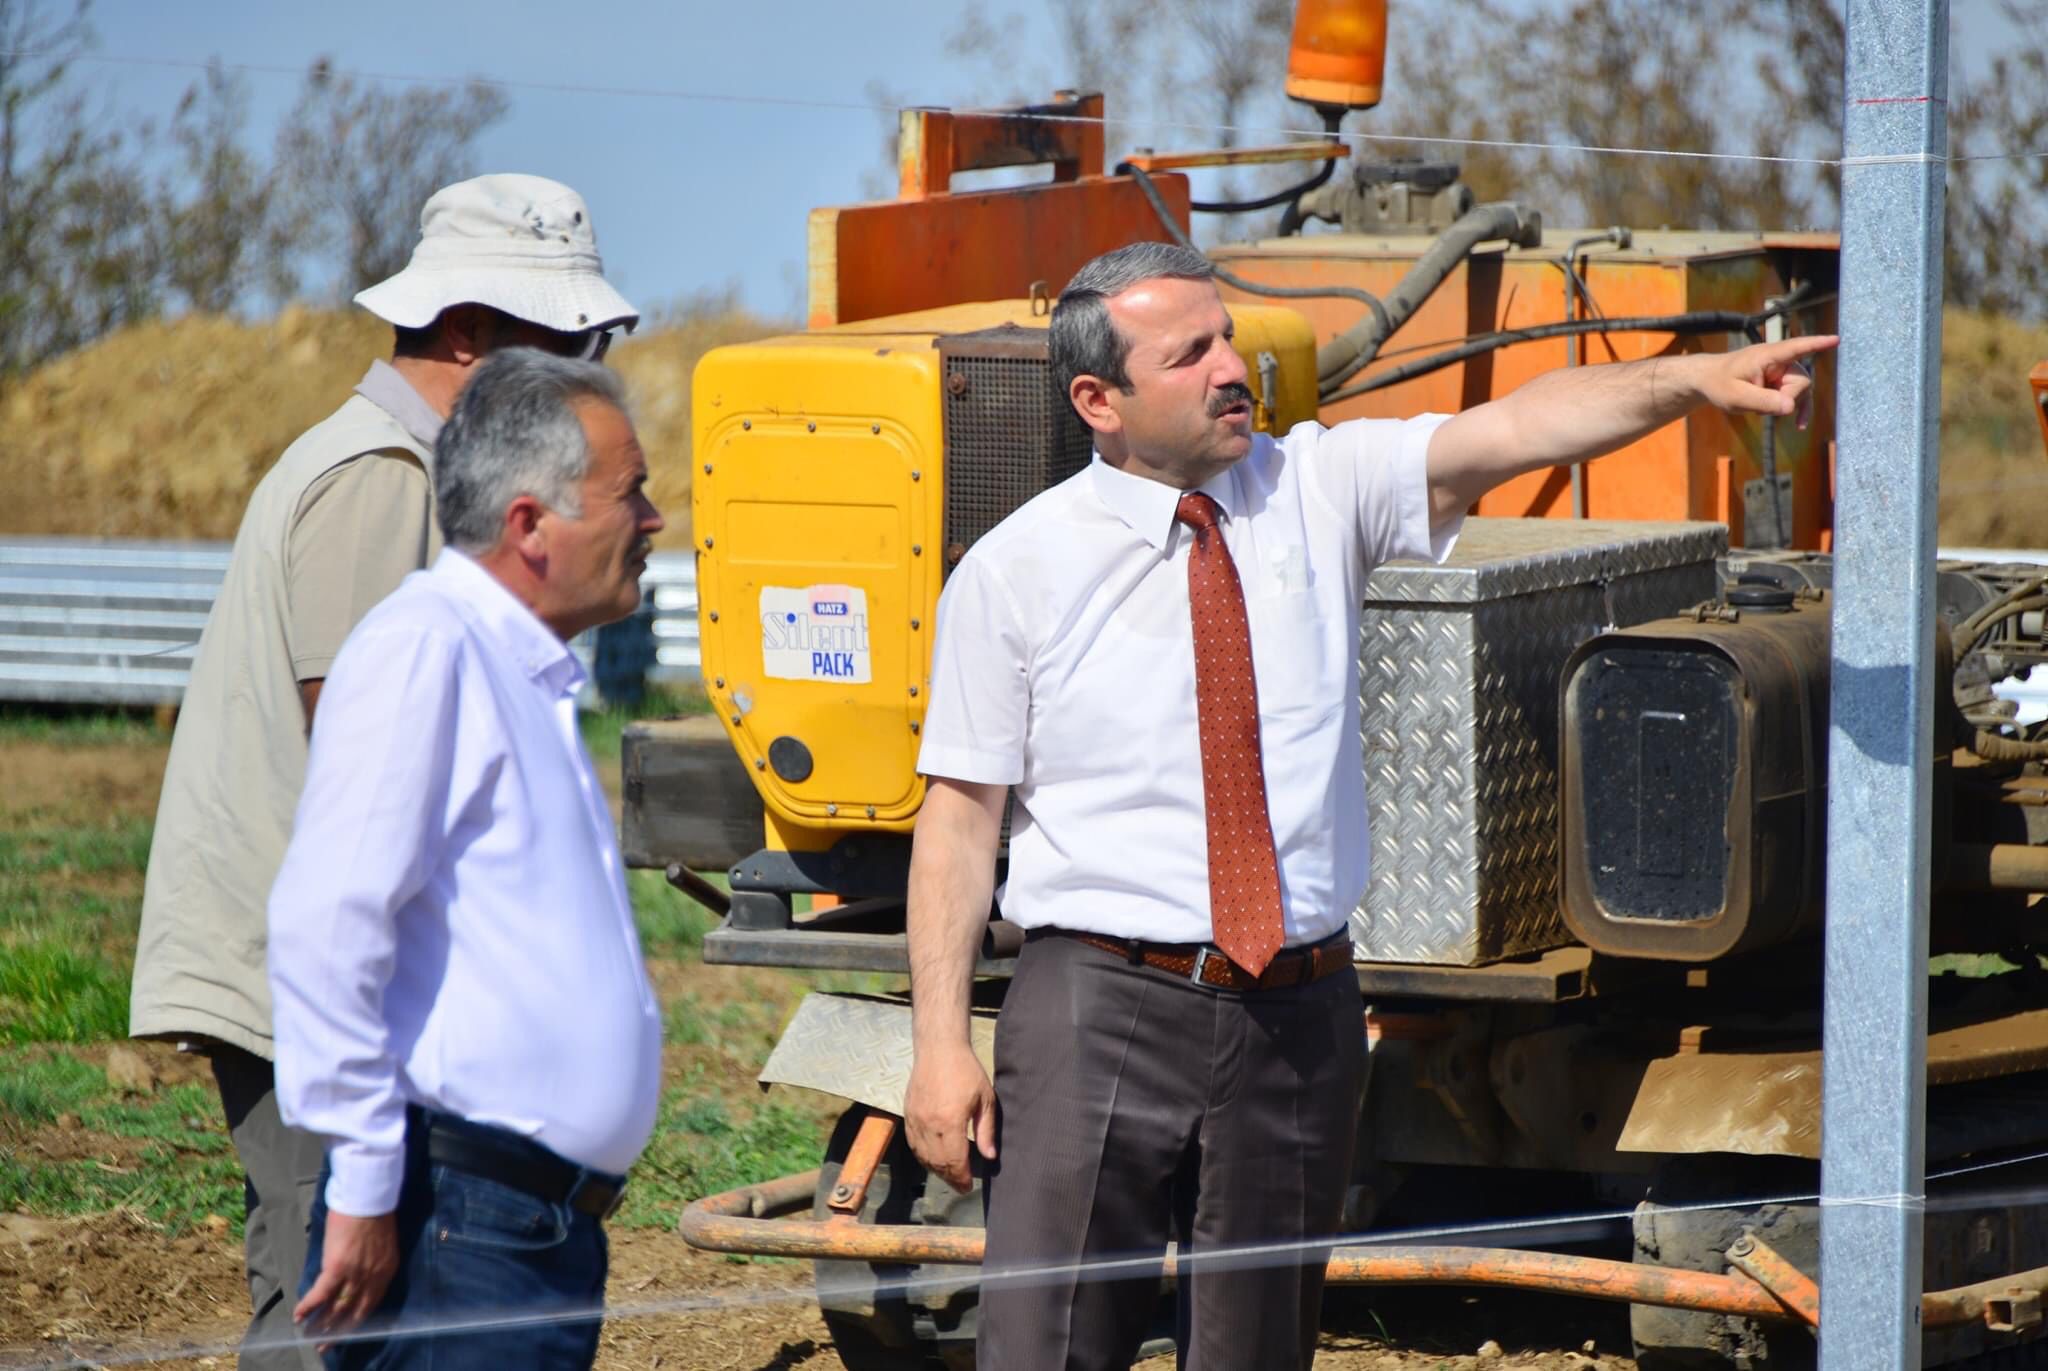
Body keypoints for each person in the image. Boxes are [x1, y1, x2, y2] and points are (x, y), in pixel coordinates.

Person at [901, 240, 1835, 1370]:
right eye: (1188, 352)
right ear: (1098, 400)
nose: (1229, 367)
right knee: (1049, 1346)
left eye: (1227, 336)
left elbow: (1521, 423)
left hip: (1295, 1018)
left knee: (1256, 1352)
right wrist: (939, 1045)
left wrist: (1681, 383)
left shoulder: (1318, 488)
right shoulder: (1013, 571)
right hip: (1098, 1004)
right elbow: (956, 821)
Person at [127, 173, 638, 1371]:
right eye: (564, 340)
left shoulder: (420, 468)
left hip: (359, 986)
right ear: (467, 334)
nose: (584, 370)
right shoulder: (379, 476)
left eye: (591, 342)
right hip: (321, 997)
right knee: (335, 1309)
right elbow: (364, 773)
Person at [266, 348, 666, 1370]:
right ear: (530, 525)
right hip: (461, 1222)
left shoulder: (513, 666)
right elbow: (328, 920)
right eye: (631, 496)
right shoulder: (426, 647)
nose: (654, 522)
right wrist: (362, 1183)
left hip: (514, 1226)